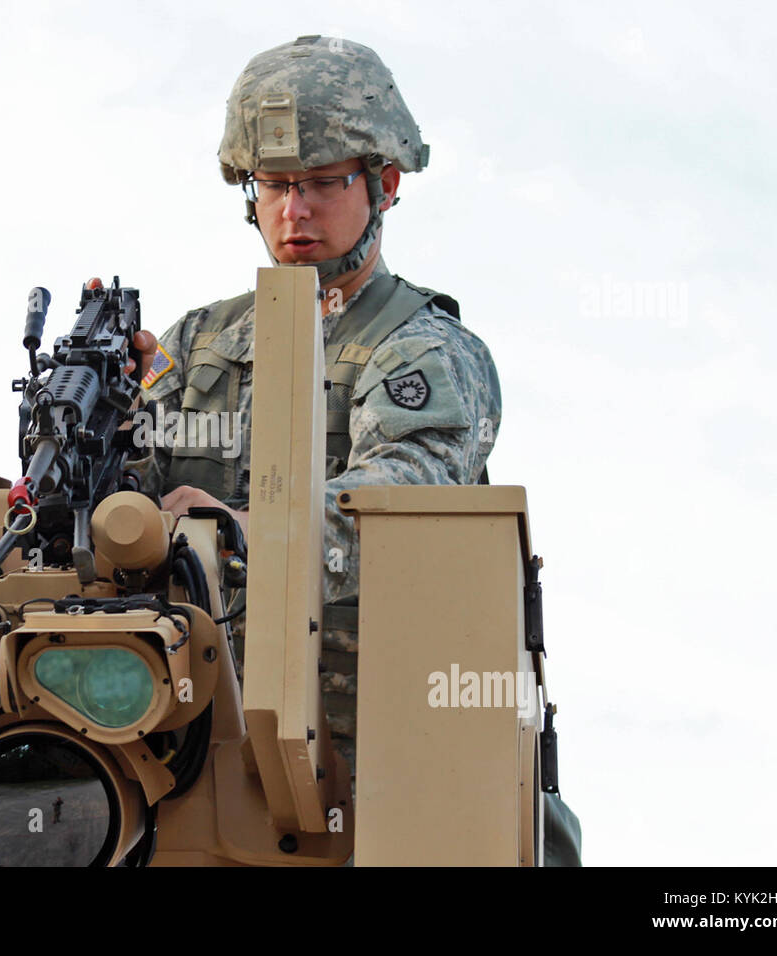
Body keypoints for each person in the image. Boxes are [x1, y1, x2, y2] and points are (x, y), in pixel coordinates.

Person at [126, 35, 581, 866]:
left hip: (380, 773)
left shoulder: (422, 349)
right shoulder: (197, 345)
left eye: (323, 183)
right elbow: (126, 506)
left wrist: (237, 526)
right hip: (197, 774)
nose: (294, 211)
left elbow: (398, 510)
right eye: (274, 186)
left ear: (386, 184)